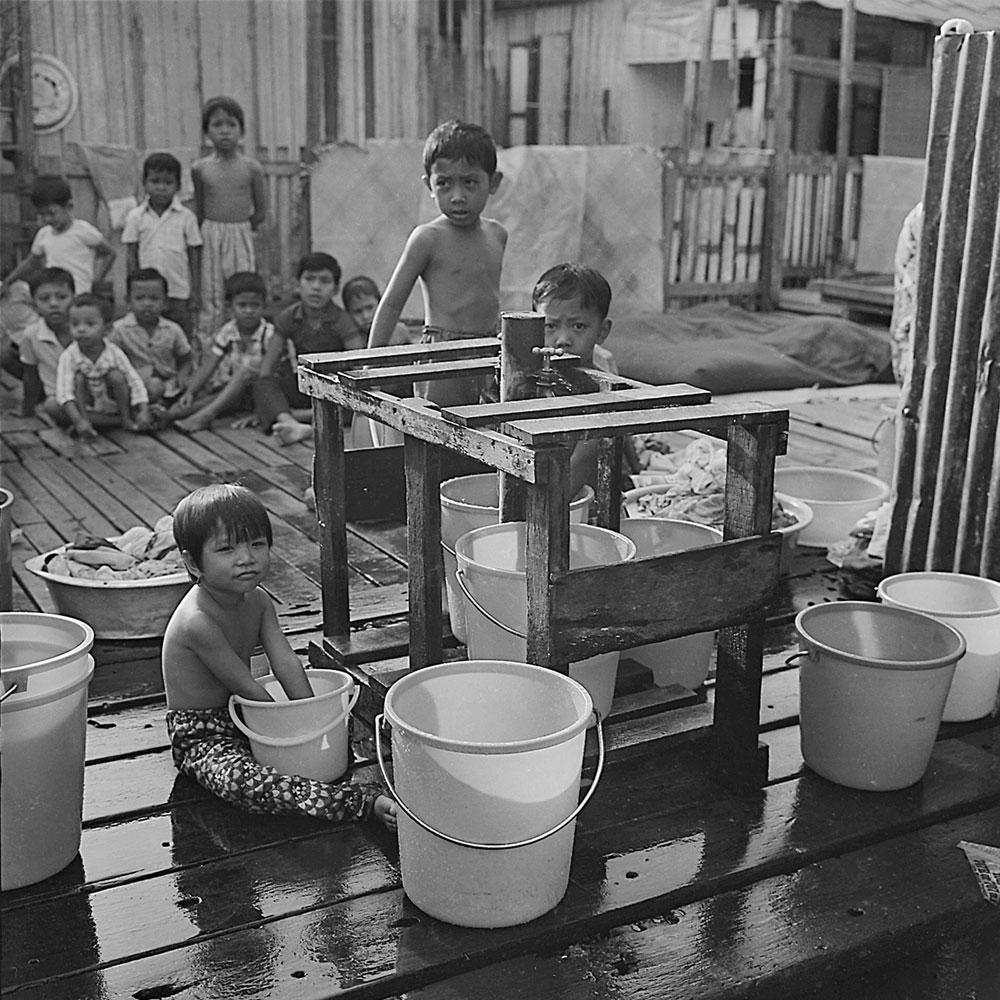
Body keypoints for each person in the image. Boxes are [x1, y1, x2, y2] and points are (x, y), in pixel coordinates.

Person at [163, 483, 397, 828]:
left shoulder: (258, 601)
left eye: (257, 544)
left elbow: (285, 661)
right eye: (226, 549)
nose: (246, 558)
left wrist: (313, 722)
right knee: (246, 784)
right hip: (204, 734)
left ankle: (321, 777)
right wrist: (291, 729)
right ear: (192, 562)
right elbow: (245, 686)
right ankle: (359, 802)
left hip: (249, 716)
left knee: (336, 742)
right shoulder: (196, 621)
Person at [367, 120, 507, 408]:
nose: (457, 197)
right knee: (438, 435)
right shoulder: (427, 238)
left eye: (469, 182)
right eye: (444, 183)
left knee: (488, 433)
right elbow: (392, 303)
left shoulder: (497, 235)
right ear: (428, 185)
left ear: (492, 183)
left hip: (489, 351)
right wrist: (371, 364)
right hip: (441, 356)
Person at [532, 262, 634, 499]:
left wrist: (532, 514)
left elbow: (576, 472)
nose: (563, 339)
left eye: (578, 326)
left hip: (586, 511)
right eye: (550, 326)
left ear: (602, 331)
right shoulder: (528, 381)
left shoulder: (602, 394)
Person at [254, 252, 363, 445]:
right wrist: (265, 400)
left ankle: (291, 418)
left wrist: (269, 410)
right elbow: (266, 370)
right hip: (305, 387)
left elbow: (359, 371)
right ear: (298, 283)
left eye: (324, 281)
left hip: (334, 392)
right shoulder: (289, 317)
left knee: (357, 402)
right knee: (263, 385)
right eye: (309, 279)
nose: (316, 287)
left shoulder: (342, 321)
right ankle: (289, 422)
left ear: (335, 289)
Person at [192, 96, 267, 355]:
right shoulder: (200, 168)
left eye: (231, 124)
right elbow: (199, 209)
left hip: (240, 234)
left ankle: (244, 351)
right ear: (206, 132)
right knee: (211, 294)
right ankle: (210, 353)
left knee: (242, 288)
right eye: (217, 124)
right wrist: (211, 231)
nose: (224, 130)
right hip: (211, 235)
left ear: (242, 131)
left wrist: (240, 228)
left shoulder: (251, 168)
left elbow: (261, 211)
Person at [170, 271, 273, 432]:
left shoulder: (268, 334)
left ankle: (204, 417)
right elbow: (209, 365)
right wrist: (191, 392)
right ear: (229, 307)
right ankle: (167, 417)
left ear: (263, 306)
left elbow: (274, 374)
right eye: (242, 305)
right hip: (234, 392)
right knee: (198, 402)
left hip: (260, 394)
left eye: (255, 305)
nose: (248, 311)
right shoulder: (228, 331)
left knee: (245, 373)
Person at [121, 152, 203, 338]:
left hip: (178, 291)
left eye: (168, 182)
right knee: (147, 334)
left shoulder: (186, 217)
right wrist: (132, 287)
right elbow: (131, 254)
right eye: (155, 181)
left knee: (181, 335)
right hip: (147, 292)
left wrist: (195, 291)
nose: (161, 187)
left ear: (178, 186)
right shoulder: (135, 217)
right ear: (144, 183)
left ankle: (184, 366)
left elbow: (194, 255)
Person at [55, 292, 152, 440]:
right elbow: (64, 392)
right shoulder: (69, 356)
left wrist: (143, 409)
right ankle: (86, 423)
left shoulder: (114, 353)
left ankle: (125, 419)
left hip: (113, 404)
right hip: (87, 408)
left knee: (117, 376)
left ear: (107, 329)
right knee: (77, 380)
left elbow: (134, 380)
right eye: (75, 324)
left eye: (90, 324)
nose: (81, 329)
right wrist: (78, 420)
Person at [1, 175, 116, 295]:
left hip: (79, 294)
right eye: (42, 214)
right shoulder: (43, 235)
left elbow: (110, 253)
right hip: (54, 295)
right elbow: (31, 262)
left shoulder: (83, 231)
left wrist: (97, 280)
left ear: (69, 206)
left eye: (52, 213)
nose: (47, 219)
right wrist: (8, 281)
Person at [110, 268, 193, 408]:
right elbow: (110, 361)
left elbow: (186, 358)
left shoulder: (173, 330)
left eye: (154, 298)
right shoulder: (120, 329)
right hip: (135, 384)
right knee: (153, 387)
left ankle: (159, 408)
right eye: (139, 298)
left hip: (169, 385)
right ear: (128, 301)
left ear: (165, 302)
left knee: (194, 388)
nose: (147, 304)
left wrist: (183, 375)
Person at [18, 267, 75, 423]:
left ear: (73, 298)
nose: (54, 304)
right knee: (51, 407)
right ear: (34, 304)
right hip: (60, 400)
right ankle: (113, 420)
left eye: (62, 297)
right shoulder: (32, 335)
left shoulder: (85, 329)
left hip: (94, 395)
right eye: (44, 298)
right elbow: (31, 376)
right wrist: (27, 410)